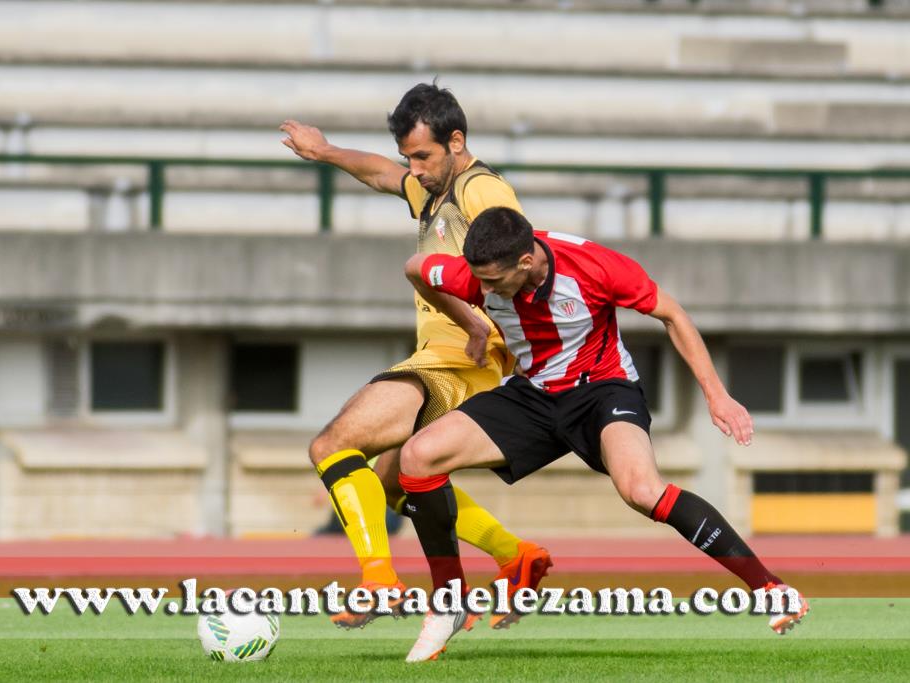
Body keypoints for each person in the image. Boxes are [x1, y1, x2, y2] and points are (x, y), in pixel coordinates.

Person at [399, 207, 810, 662]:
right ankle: (449, 601)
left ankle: (770, 589)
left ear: (525, 262)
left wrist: (717, 396)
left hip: (601, 389)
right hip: (533, 394)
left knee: (641, 490)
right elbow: (416, 269)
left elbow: (672, 315)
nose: (485, 290)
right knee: (418, 457)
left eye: (493, 283)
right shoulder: (474, 274)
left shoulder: (594, 267)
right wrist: (473, 324)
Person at [279, 84, 551, 629]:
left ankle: (379, 581)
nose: (415, 169)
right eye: (410, 157)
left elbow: (522, 264)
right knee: (396, 482)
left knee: (332, 445)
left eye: (423, 156)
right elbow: (381, 173)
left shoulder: (483, 192)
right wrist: (326, 151)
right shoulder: (432, 189)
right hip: (447, 355)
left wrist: (486, 326)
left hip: (462, 360)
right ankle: (514, 555)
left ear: (456, 141)